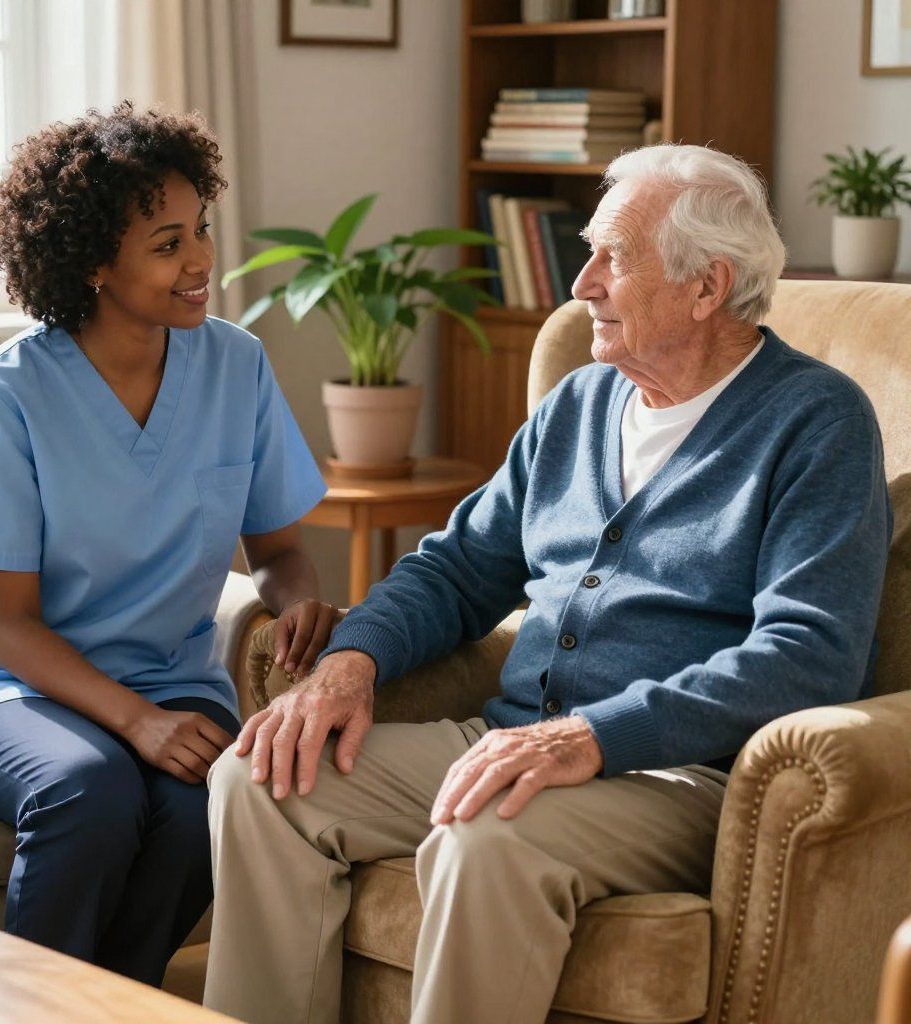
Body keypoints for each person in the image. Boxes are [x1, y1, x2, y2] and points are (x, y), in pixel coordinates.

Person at [202, 144, 893, 1024]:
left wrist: (594, 736)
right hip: (509, 745)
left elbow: (809, 657)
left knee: (487, 839)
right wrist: (353, 661)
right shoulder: (579, 404)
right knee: (262, 777)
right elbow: (456, 569)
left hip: (680, 774)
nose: (582, 284)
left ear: (706, 286)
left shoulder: (816, 422)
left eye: (614, 256)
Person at [0, 101, 333, 986]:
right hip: (10, 685)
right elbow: (9, 626)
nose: (203, 260)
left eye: (202, 230)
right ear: (95, 261)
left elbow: (280, 551)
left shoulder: (238, 365)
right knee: (89, 791)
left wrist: (300, 604)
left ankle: (111, 1004)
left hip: (172, 678)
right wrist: (138, 723)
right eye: (168, 243)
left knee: (211, 808)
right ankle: (29, 1012)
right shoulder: (7, 398)